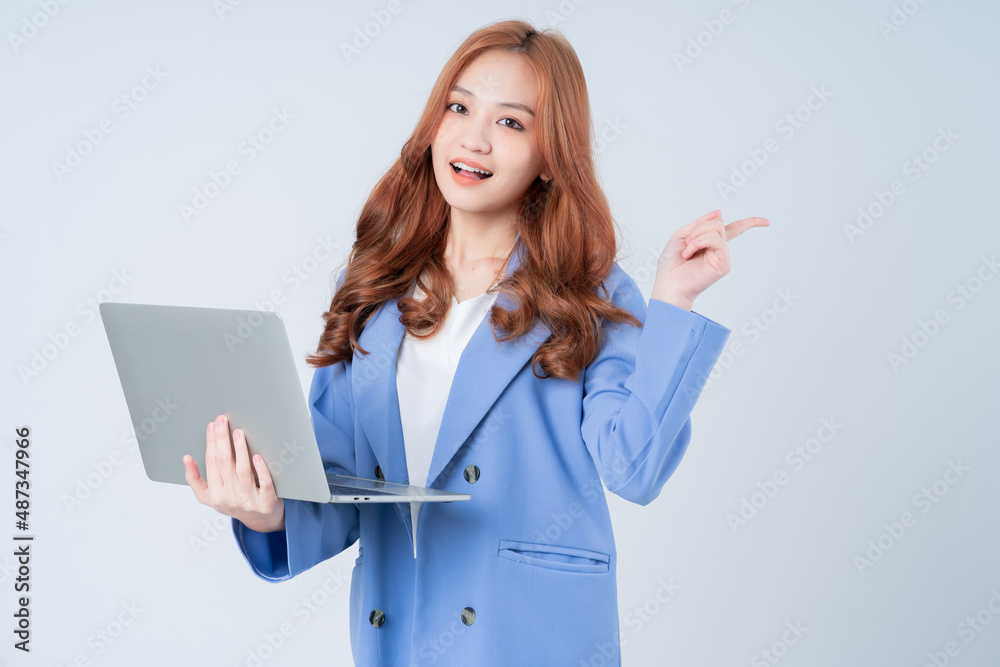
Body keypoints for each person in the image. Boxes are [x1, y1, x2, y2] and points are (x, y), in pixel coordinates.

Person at [182, 18, 768, 666]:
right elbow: (340, 487)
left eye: (511, 122)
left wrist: (674, 302)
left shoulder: (589, 290)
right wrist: (264, 511)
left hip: (529, 640)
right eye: (459, 107)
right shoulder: (375, 287)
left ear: (551, 156)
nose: (475, 138)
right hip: (396, 639)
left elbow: (633, 465)